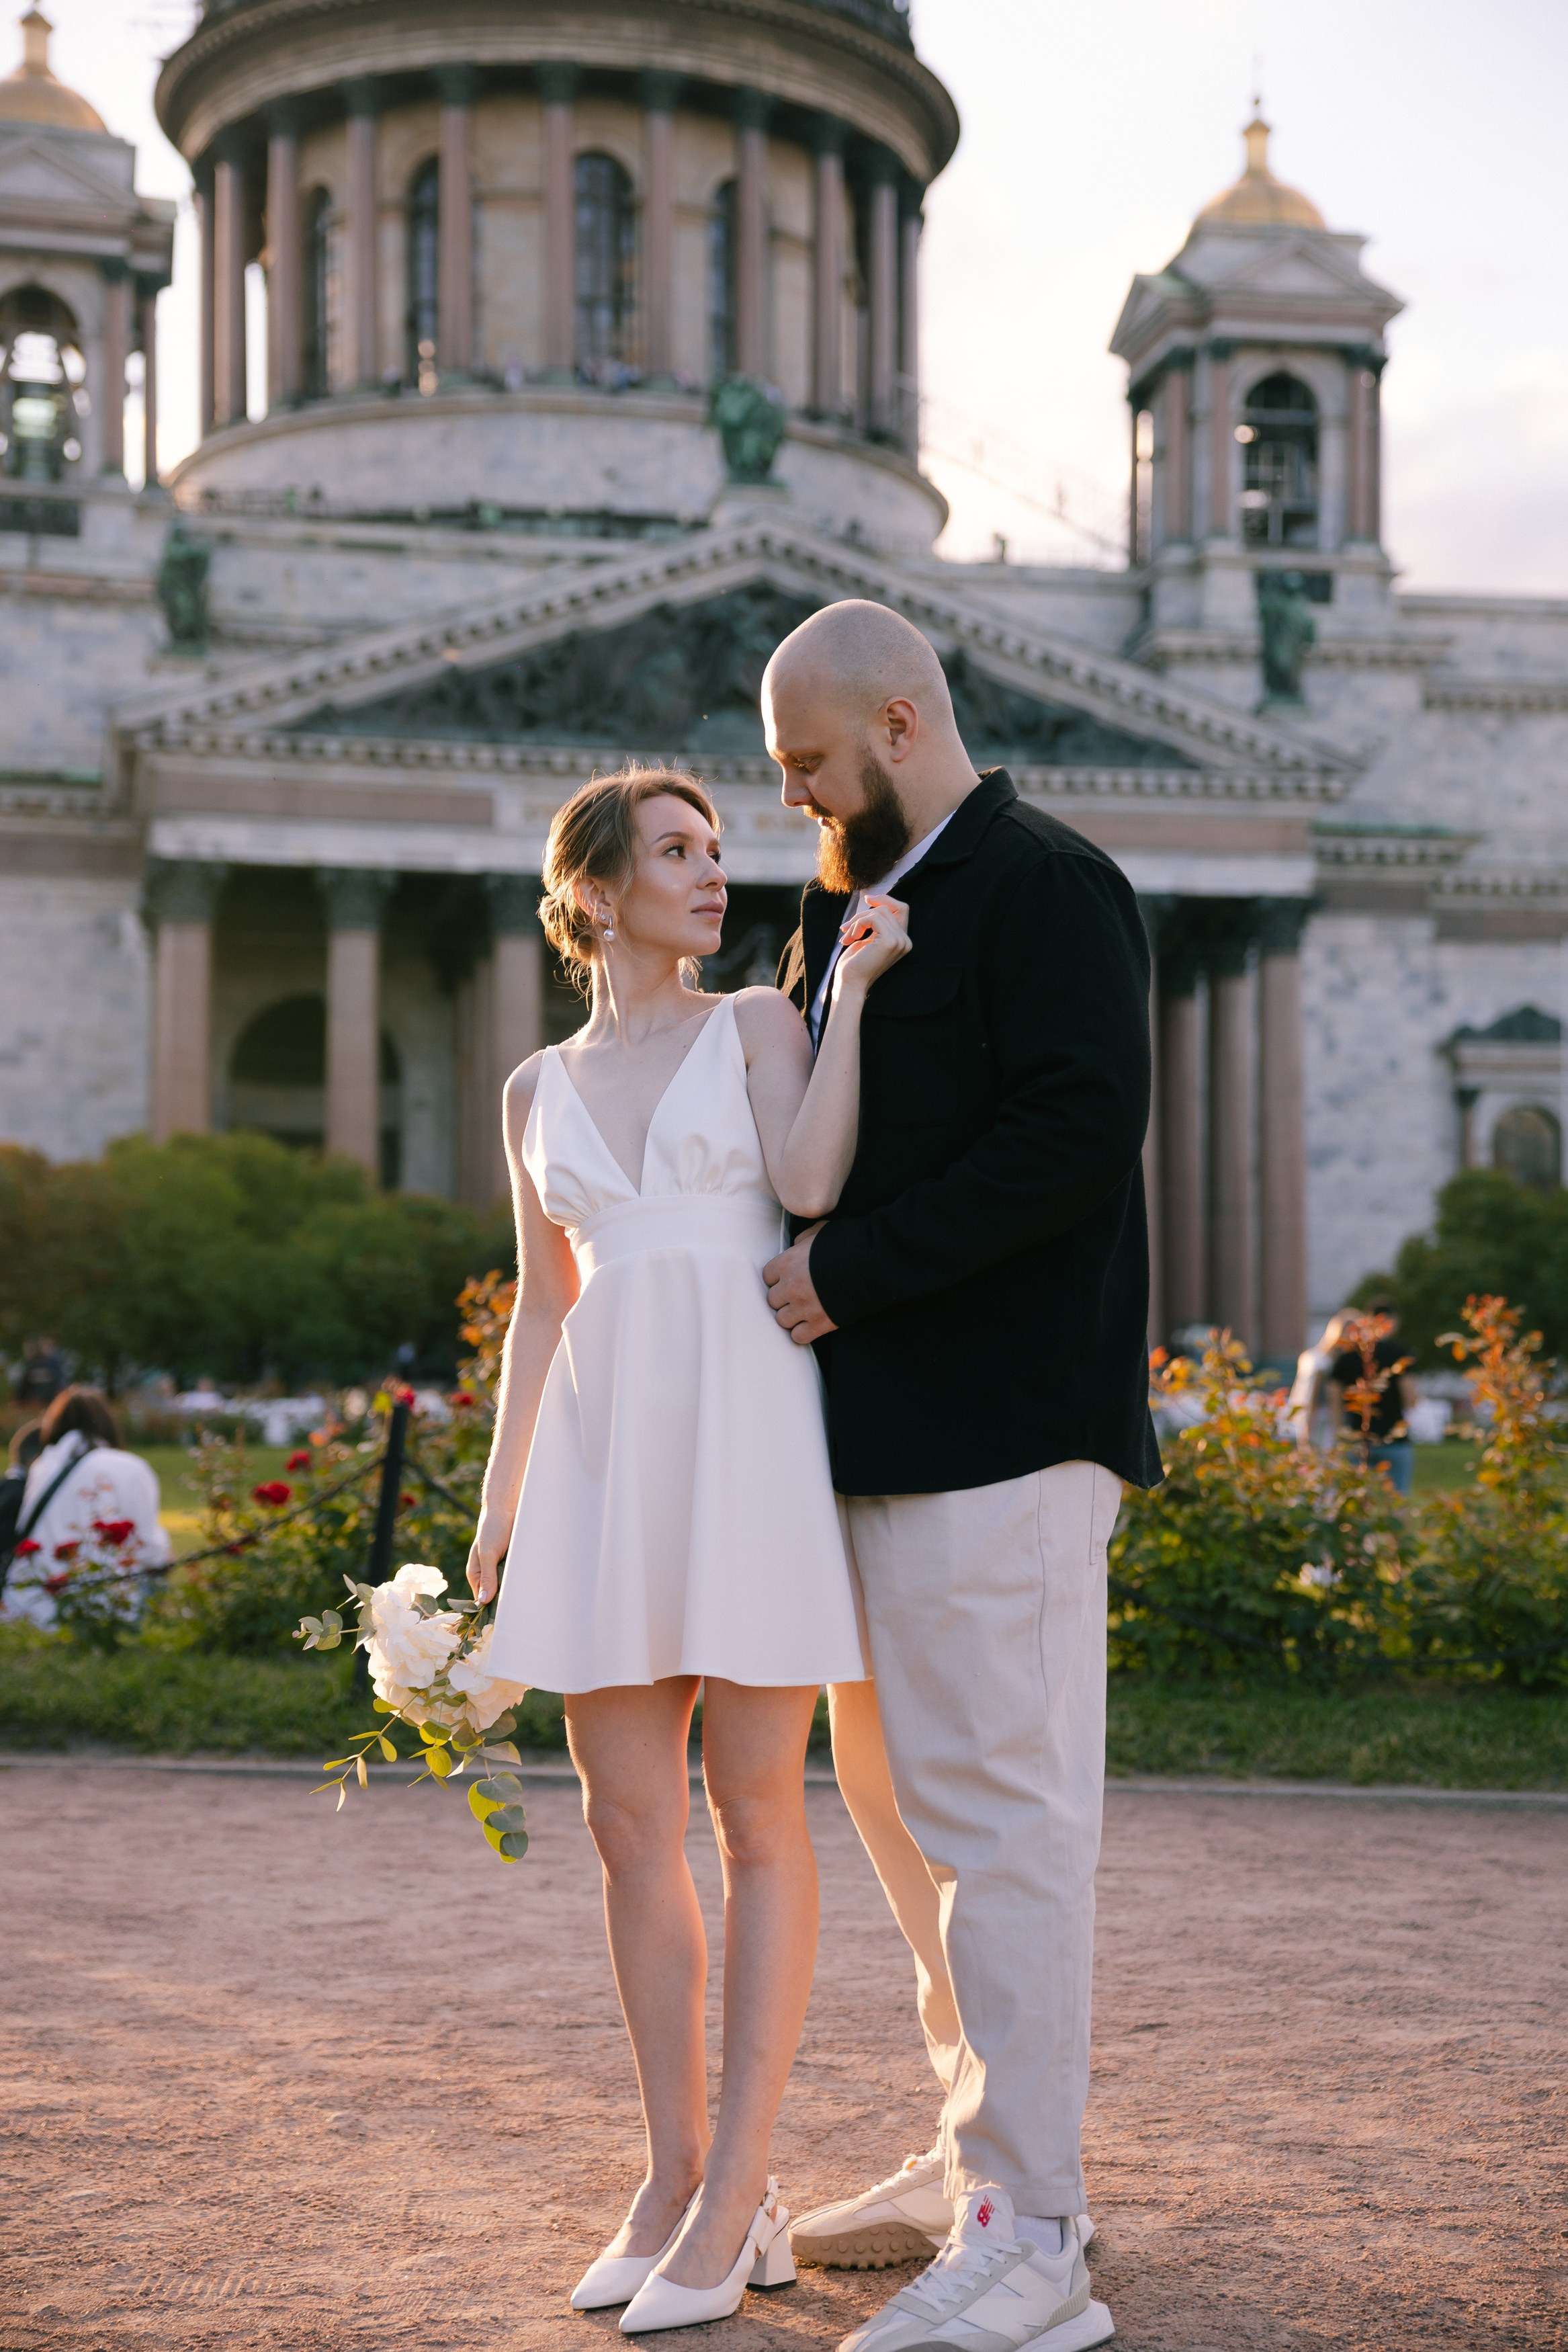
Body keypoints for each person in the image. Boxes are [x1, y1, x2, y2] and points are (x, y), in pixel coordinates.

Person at [758, 601, 1161, 2352]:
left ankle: (1035, 2229)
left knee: (1002, 1824)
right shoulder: (839, 903)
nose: (791, 800)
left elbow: (1074, 1133)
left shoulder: (1048, 881)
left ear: (900, 718)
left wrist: (849, 1273)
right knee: (908, 1821)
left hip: (1005, 1430)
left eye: (805, 765)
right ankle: (965, 2155)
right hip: (872, 1442)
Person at [466, 764, 912, 2335]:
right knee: (623, 1824)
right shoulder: (532, 1091)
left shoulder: (758, 1026)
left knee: (753, 1816)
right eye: (674, 852)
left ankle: (739, 2193)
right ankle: (673, 2178)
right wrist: (501, 1500)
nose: (712, 875)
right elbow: (541, 1303)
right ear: (593, 890)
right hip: (605, 1450)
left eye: (718, 851)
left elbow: (802, 1187)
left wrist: (846, 995)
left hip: (745, 1429)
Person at [2, 1387, 170, 1626]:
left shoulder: (42, 1466)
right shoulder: (130, 1467)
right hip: (102, 1606)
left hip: (28, 1603)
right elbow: (148, 1548)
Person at [1324, 1302, 1420, 1495]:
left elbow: (1333, 1393)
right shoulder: (1400, 1354)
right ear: (1393, 1322)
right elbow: (1411, 1398)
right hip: (1394, 1439)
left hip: (1357, 1438)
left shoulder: (1349, 1354)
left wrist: (1338, 1430)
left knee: (1354, 1498)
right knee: (1397, 1498)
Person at [1287, 1312, 1348, 1450]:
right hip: (1322, 1422)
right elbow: (1311, 1398)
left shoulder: (1316, 1357)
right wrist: (1307, 1429)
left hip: (1329, 1422)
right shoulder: (1323, 1362)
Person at [15, 1335, 64, 1410]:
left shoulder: (53, 1364)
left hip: (48, 1404)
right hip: (37, 1404)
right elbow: (24, 1386)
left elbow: (59, 1385)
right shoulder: (32, 1365)